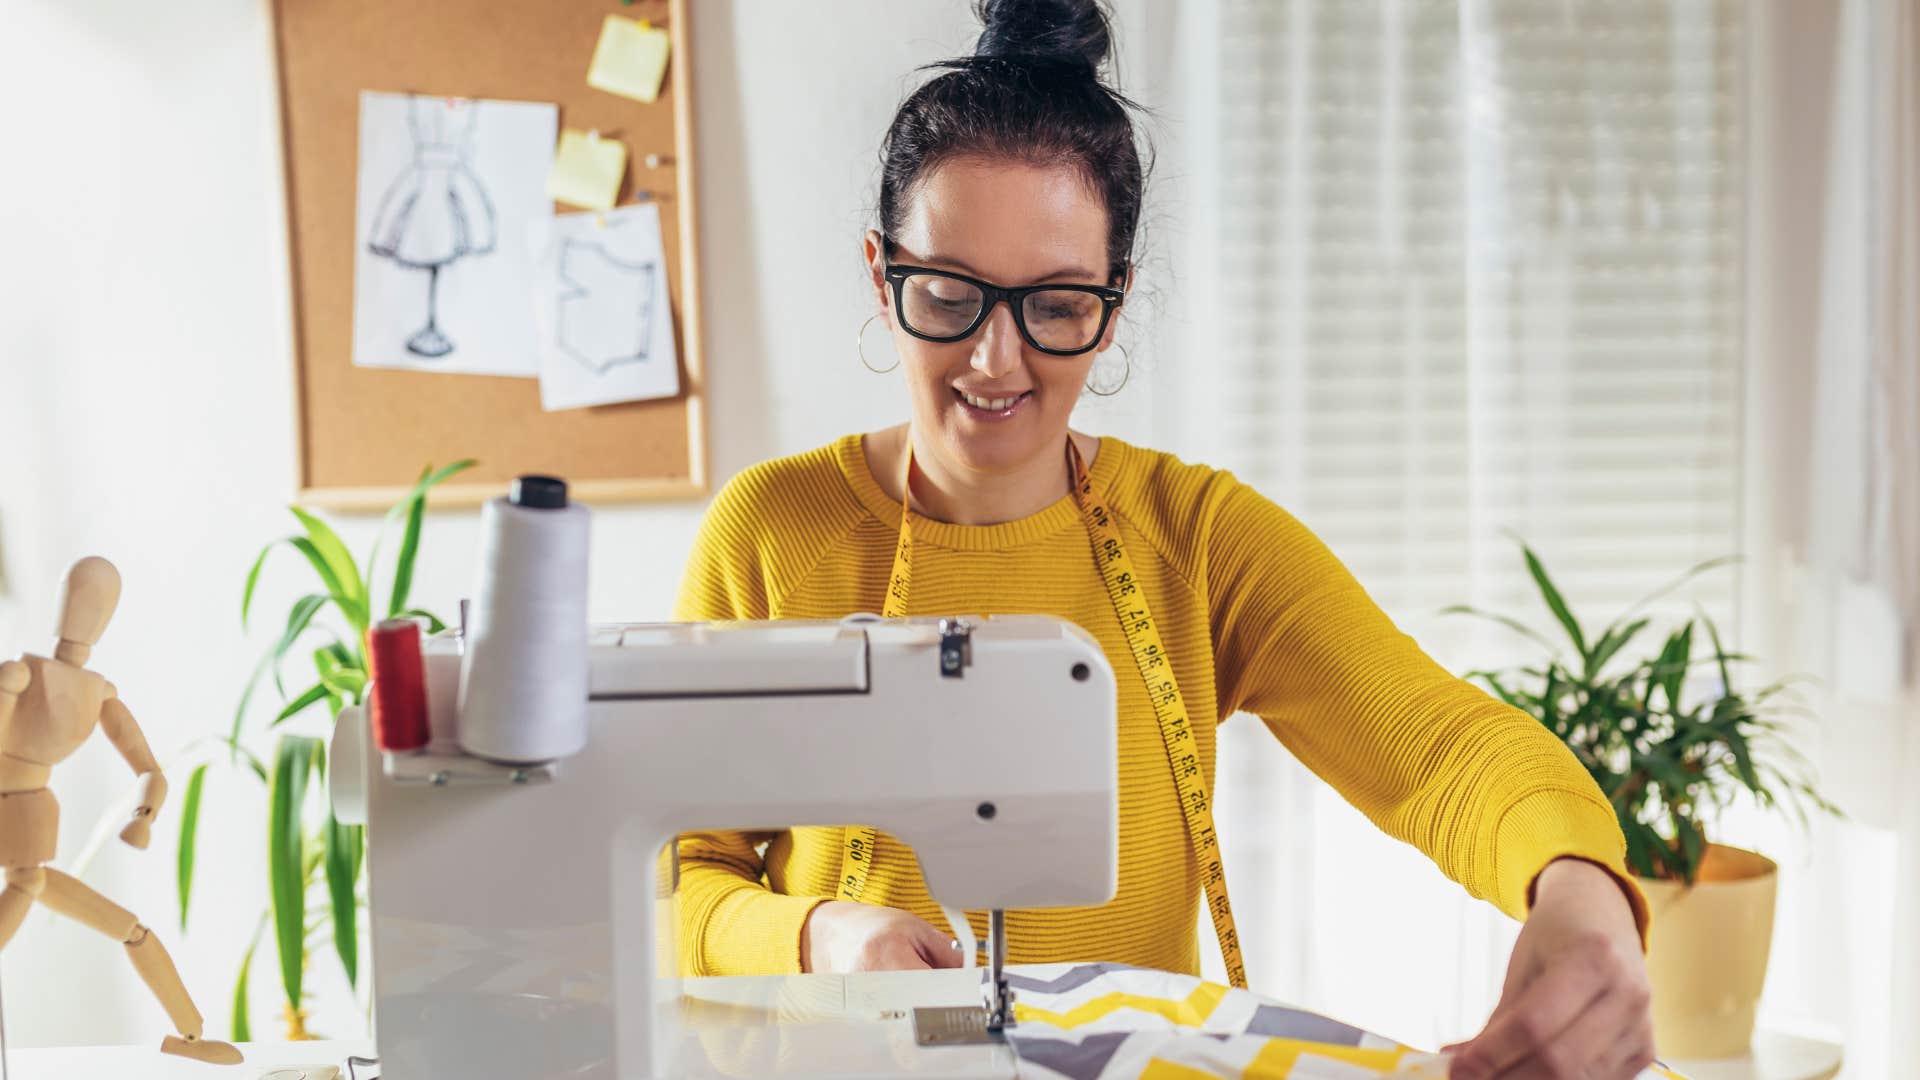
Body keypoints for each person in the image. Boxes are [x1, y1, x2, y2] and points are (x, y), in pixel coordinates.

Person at [673, 1, 1656, 1075]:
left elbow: (1437, 747)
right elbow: (683, 877)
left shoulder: (1198, 542)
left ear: (1117, 295)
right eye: (951, 294)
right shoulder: (771, 533)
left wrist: (1580, 888)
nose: (997, 359)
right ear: (883, 274)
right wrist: (818, 935)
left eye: (1056, 306)